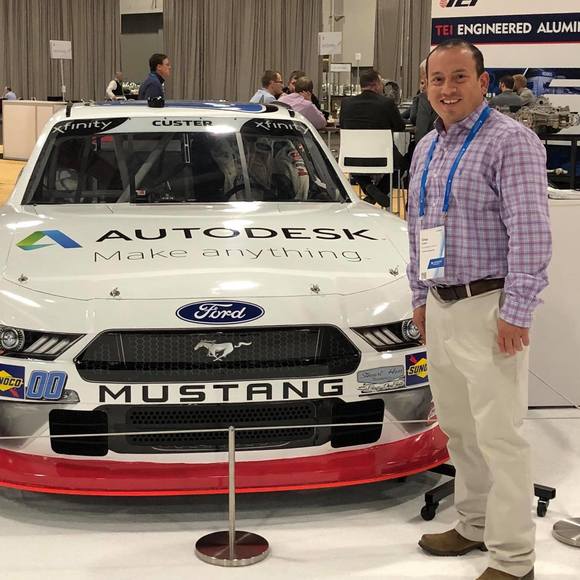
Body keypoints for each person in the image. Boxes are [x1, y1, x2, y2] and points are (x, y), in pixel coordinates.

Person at [406, 39, 551, 580]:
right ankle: (473, 523)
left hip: (489, 307)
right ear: (426, 86)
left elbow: (531, 233)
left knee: (500, 436)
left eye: (459, 77)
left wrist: (518, 310)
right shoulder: (427, 146)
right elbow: (418, 228)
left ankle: (513, 559)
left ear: (483, 82)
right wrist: (419, 296)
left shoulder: (511, 142)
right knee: (460, 430)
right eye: (437, 79)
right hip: (442, 304)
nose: (447, 89)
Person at [339, 68, 406, 207]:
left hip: (352, 158)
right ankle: (378, 191)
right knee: (403, 163)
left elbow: (342, 125)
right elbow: (400, 127)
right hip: (382, 157)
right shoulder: (386, 103)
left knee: (356, 166)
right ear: (376, 84)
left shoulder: (346, 103)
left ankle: (368, 187)